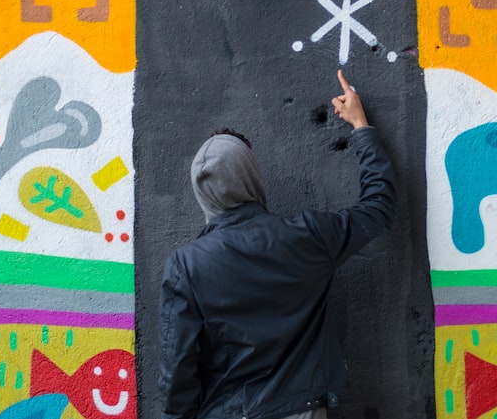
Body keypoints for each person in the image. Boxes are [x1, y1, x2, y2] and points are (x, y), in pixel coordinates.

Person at [158, 69, 397, 419]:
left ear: (201, 194)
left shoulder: (186, 266)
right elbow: (378, 207)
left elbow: (178, 371)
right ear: (251, 176)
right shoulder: (309, 235)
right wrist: (361, 126)